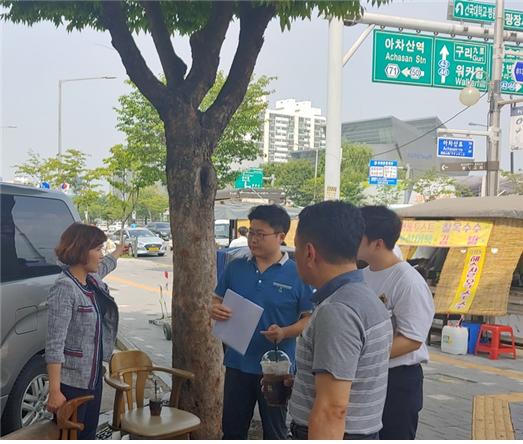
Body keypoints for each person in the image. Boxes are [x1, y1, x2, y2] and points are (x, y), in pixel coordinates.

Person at [288, 201, 393, 440]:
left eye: (296, 248)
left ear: (309, 253)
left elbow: (332, 410)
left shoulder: (337, 310)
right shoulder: (363, 296)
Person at [210, 204, 314, 440]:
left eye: (260, 234)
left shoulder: (298, 274)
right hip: (237, 363)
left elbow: (309, 318)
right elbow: (216, 300)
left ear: (281, 236)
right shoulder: (236, 267)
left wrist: (285, 332)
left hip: (276, 370)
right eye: (251, 232)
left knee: (275, 432)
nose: (253, 239)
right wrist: (215, 309)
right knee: (232, 430)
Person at [358, 205, 435, 440]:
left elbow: (412, 340)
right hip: (368, 374)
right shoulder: (362, 275)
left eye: (357, 235)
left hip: (398, 381)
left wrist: (360, 355)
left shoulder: (408, 281)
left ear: (377, 243)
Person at [45, 223, 128, 439]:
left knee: (88, 434)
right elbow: (54, 344)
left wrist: (118, 252)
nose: (101, 255)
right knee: (72, 437)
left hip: (93, 379)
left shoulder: (91, 280)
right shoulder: (65, 288)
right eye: (98, 249)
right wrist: (54, 391)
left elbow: (105, 265)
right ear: (82, 251)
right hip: (73, 385)